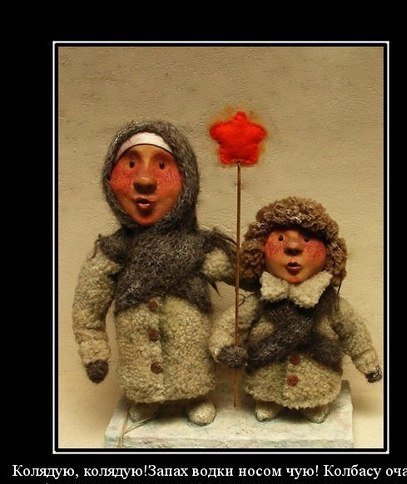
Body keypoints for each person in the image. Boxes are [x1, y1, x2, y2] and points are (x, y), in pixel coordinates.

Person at [72, 121, 234, 427]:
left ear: (187, 182)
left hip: (193, 362)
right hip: (138, 364)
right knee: (141, 381)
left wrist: (261, 259)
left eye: (162, 166)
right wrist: (94, 350)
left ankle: (195, 396)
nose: (144, 179)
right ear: (109, 179)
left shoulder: (199, 249)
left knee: (192, 371)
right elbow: (88, 310)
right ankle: (146, 399)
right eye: (131, 164)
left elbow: (245, 277)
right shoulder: (112, 253)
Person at [210, 196, 382, 423]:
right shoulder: (259, 302)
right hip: (266, 378)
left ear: (329, 253)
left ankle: (316, 401)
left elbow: (353, 333)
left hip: (318, 381)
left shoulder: (332, 305)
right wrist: (224, 348)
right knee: (266, 390)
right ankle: (269, 400)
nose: (293, 247)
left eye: (307, 239)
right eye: (280, 238)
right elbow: (230, 326)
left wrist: (367, 362)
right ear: (259, 250)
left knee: (316, 394)